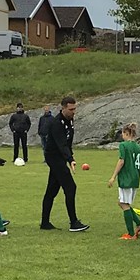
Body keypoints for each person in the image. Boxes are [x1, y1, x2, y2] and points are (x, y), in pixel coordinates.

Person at [40, 96, 90, 232]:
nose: (74, 112)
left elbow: (68, 142)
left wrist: (69, 155)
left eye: (75, 109)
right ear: (63, 108)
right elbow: (61, 143)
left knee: (52, 190)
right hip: (53, 157)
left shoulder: (70, 120)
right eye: (71, 109)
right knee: (71, 187)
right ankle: (74, 223)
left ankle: (44, 223)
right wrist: (70, 159)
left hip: (61, 157)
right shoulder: (56, 123)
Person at [108, 122, 140, 239]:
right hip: (135, 179)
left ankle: (131, 233)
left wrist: (113, 176)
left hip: (126, 179)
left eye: (123, 134)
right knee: (123, 203)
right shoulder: (139, 148)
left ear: (126, 133)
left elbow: (121, 161)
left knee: (124, 204)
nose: (122, 136)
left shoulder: (123, 145)